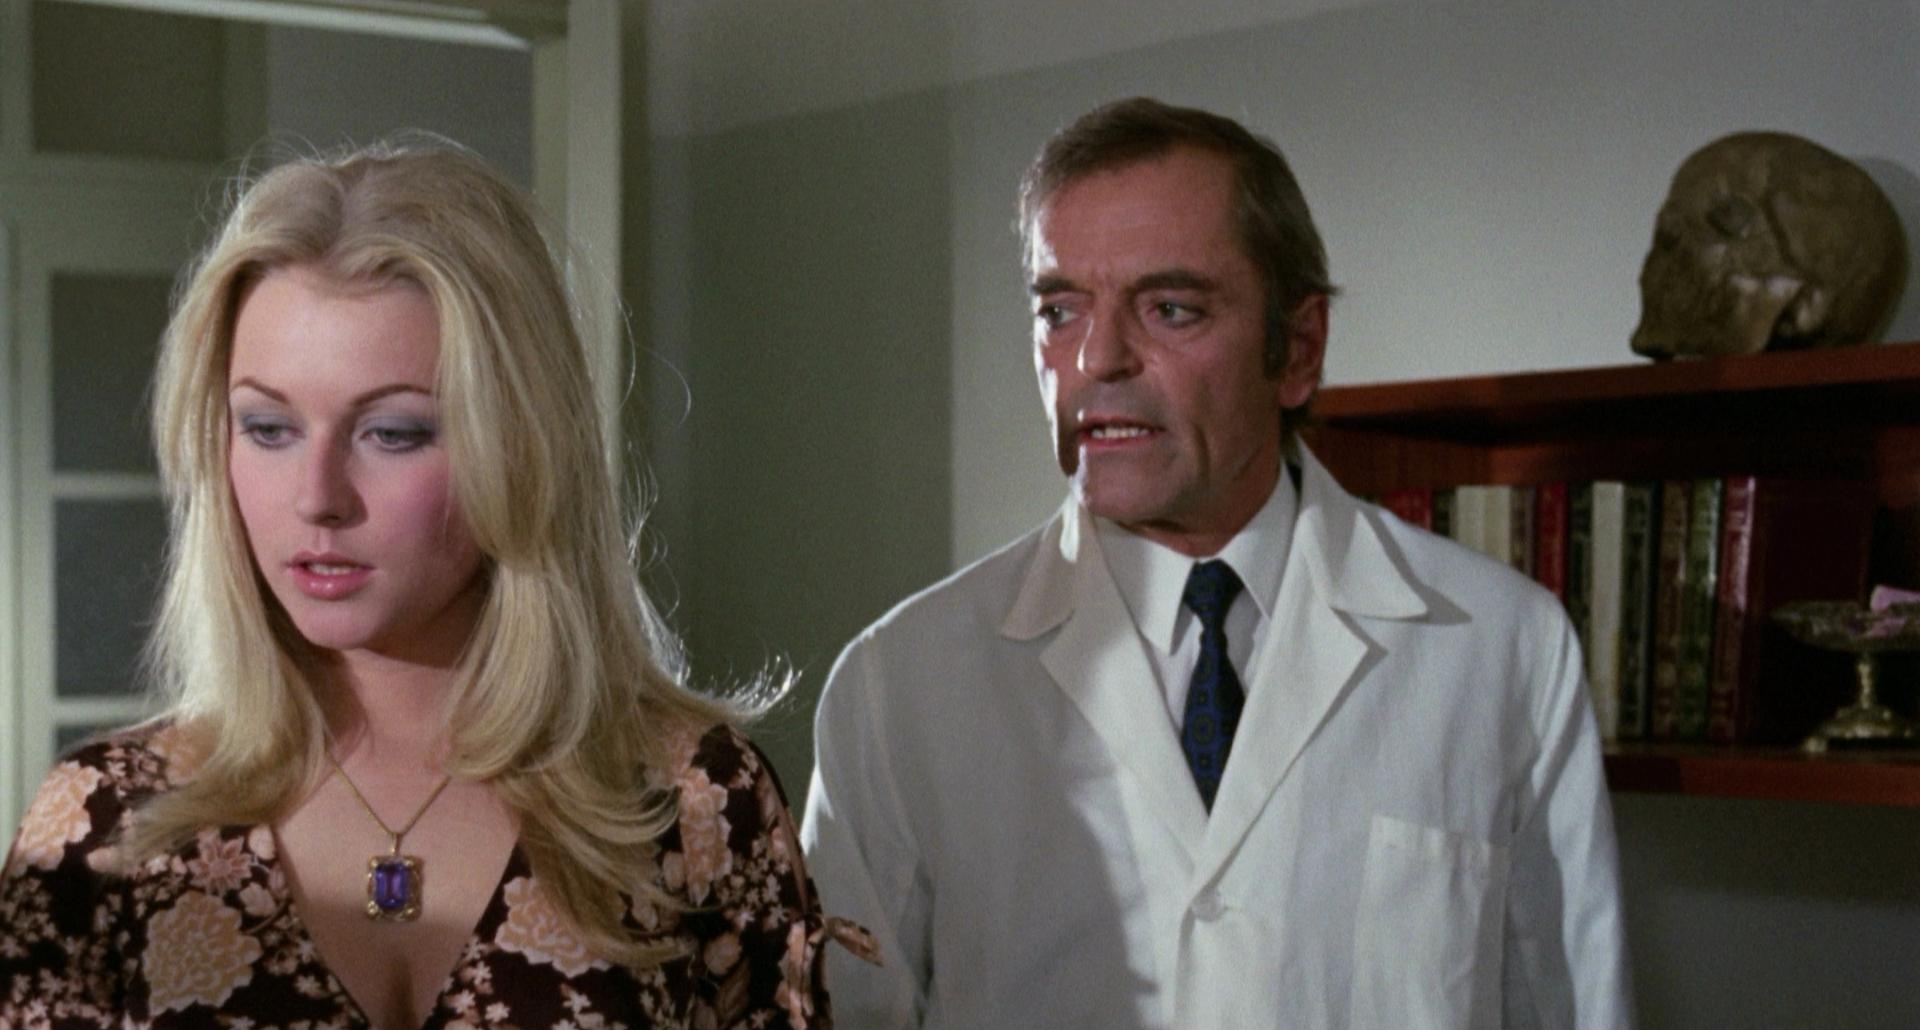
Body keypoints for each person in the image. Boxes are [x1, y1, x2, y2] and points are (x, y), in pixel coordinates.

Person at [800, 97, 1630, 1028]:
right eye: (1061, 311)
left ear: (1298, 349)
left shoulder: (1505, 648)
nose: (1097, 359)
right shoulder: (898, 684)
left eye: (1170, 309)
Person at [0, 141, 867, 1028]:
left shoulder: (692, 799)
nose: (317, 498)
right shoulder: (104, 822)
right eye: (268, 428)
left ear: (520, 445)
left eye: (393, 433)